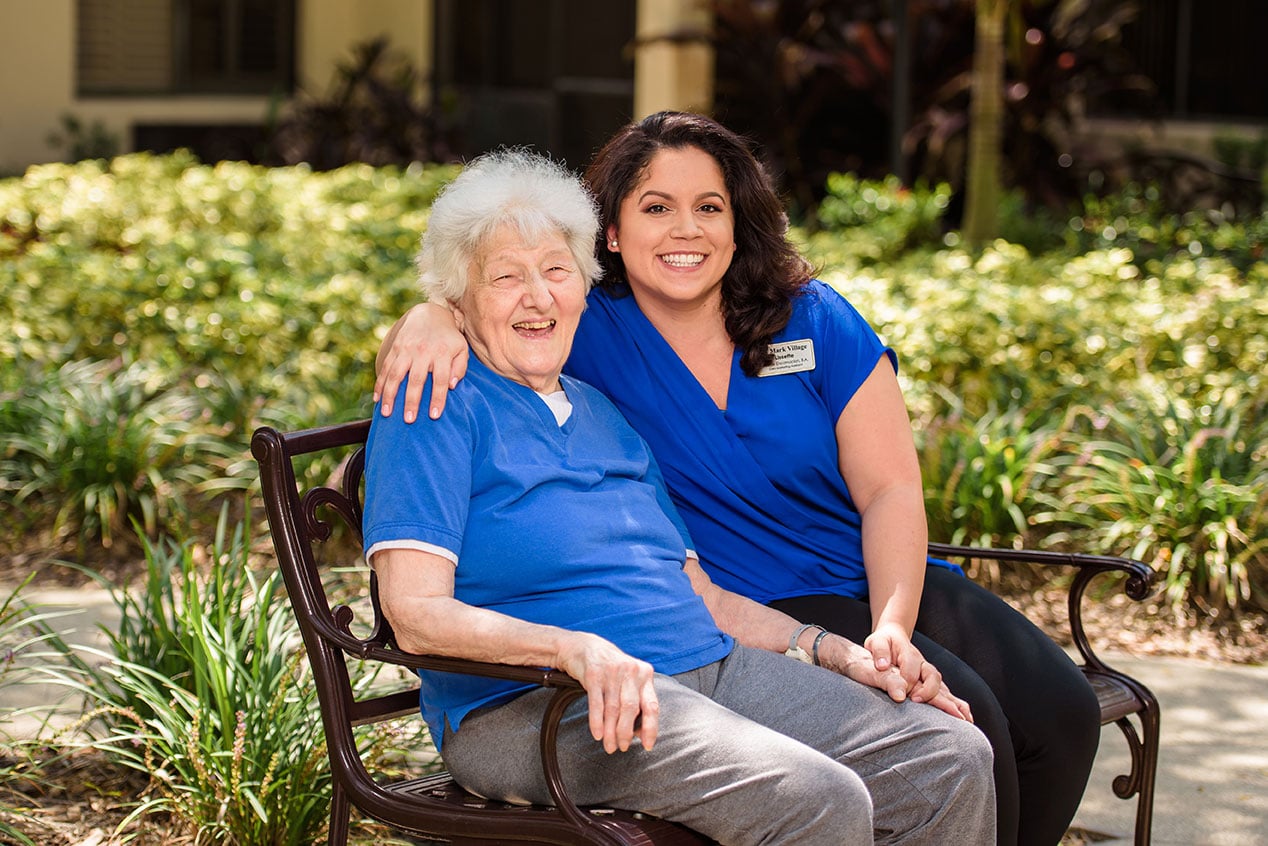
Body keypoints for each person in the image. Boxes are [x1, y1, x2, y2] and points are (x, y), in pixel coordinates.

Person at [374, 113, 1100, 846]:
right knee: (822, 796)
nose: (537, 296)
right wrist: (570, 647)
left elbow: (705, 595)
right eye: (506, 277)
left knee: (949, 754)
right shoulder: (439, 401)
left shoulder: (602, 409)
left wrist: (833, 648)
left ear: (582, 278)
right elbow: (414, 612)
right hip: (553, 700)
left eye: (556, 272)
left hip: (710, 658)